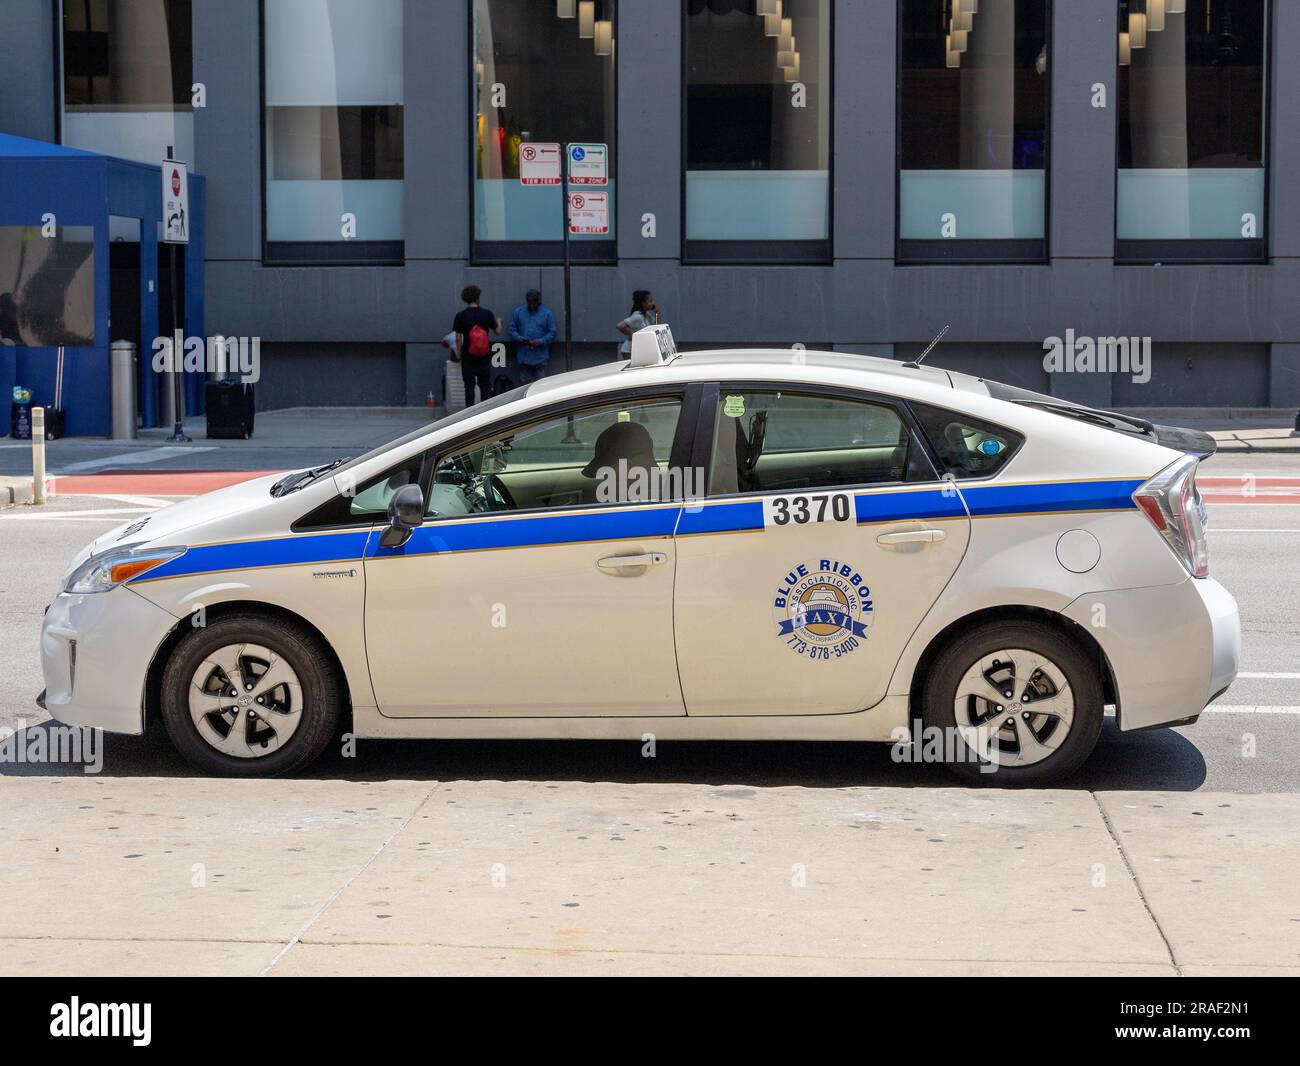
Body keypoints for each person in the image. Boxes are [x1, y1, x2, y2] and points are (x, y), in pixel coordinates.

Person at [451, 285, 501, 406]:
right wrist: (499, 321)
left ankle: (469, 415)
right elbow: (498, 332)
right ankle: (484, 414)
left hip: (468, 356)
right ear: (478, 297)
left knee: (469, 387)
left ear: (465, 299)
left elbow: (458, 339)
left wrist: (459, 354)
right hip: (484, 356)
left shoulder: (460, 316)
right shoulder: (487, 313)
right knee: (485, 386)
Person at [508, 289, 557, 385]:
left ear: (539, 302)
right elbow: (512, 330)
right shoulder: (518, 312)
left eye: (534, 303)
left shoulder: (547, 314)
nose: (532, 305)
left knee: (540, 388)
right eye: (530, 303)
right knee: (525, 387)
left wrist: (541, 341)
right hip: (524, 357)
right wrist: (519, 338)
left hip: (540, 358)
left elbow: (552, 333)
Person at [616, 290, 661, 358]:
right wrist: (633, 336)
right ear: (643, 303)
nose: (653, 303)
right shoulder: (638, 316)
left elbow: (656, 326)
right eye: (650, 301)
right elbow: (620, 326)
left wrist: (657, 313)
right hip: (630, 351)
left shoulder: (646, 315)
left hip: (638, 350)